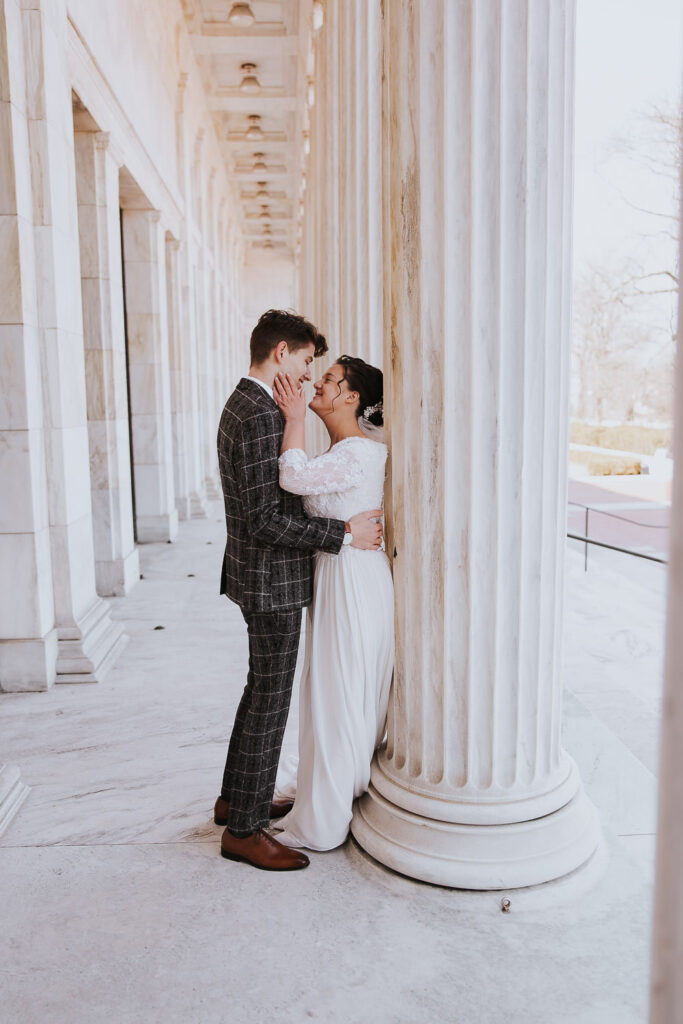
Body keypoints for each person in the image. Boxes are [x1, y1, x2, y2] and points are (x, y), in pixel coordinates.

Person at [215, 310, 383, 872]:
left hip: (258, 575)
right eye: (308, 361)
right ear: (282, 351)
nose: (311, 375)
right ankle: (244, 829)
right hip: (273, 581)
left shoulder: (245, 402)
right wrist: (341, 532)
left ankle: (236, 797)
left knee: (259, 690)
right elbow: (266, 517)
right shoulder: (265, 413)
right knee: (270, 700)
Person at [270, 355, 394, 851]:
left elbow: (293, 479)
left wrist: (294, 418)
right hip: (334, 574)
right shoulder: (341, 450)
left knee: (341, 689)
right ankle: (319, 786)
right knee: (326, 687)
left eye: (327, 379)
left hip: (354, 583)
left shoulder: (361, 453)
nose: (316, 383)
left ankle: (327, 811)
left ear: (351, 396)